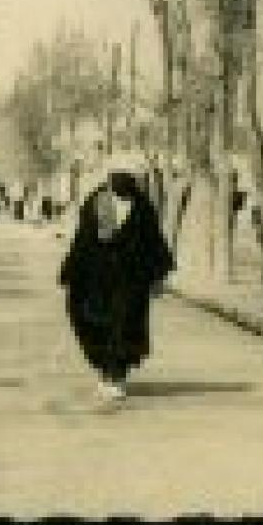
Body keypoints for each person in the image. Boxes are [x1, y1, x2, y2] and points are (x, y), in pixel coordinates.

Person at [58, 153, 175, 403]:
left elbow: (153, 241)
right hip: (95, 279)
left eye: (127, 178)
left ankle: (116, 375)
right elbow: (82, 240)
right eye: (117, 177)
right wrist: (71, 271)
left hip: (129, 280)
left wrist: (157, 275)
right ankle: (105, 369)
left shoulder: (143, 207)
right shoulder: (94, 203)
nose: (121, 182)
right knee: (91, 322)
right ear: (110, 178)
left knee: (123, 326)